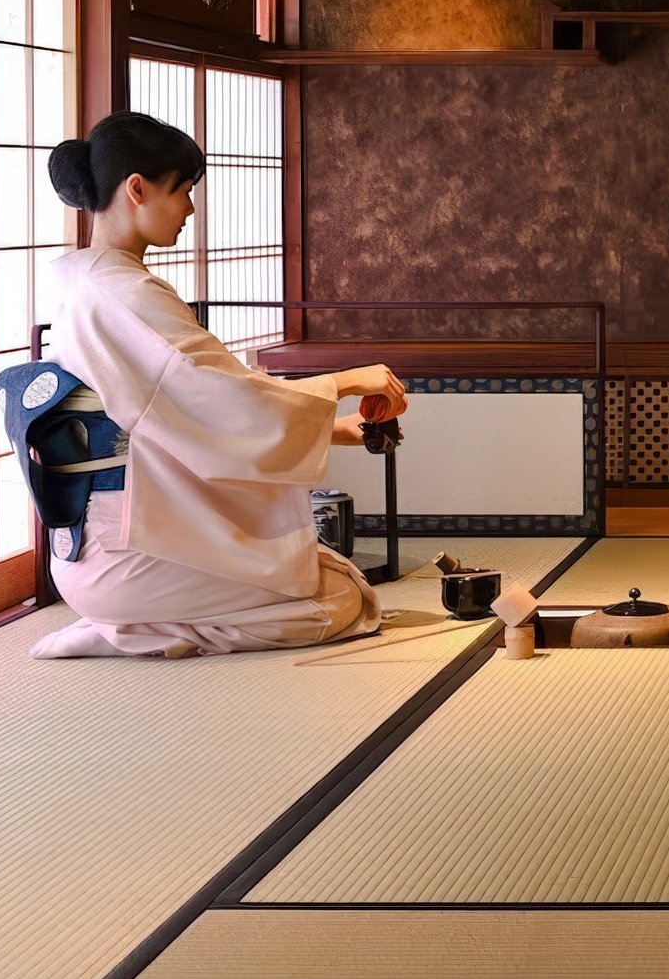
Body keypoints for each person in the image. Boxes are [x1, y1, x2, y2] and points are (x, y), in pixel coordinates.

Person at [24, 110, 407, 658]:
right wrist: (345, 380)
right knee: (339, 602)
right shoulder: (120, 294)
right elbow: (217, 395)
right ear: (137, 189)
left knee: (326, 570)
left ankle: (132, 623)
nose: (190, 209)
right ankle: (134, 631)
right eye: (181, 191)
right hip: (126, 550)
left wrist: (336, 428)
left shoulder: (89, 284)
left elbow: (188, 410)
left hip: (93, 546)